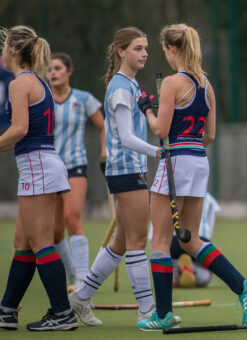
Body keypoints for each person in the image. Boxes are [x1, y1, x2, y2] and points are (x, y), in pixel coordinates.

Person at [137, 23, 247, 330]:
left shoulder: (171, 83)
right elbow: (209, 135)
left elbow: (161, 131)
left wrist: (147, 110)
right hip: (198, 161)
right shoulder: (207, 85)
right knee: (191, 239)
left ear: (172, 49)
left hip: (176, 161)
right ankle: (242, 286)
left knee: (161, 241)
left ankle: (163, 315)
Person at [68, 26, 160, 327]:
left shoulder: (131, 85)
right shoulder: (121, 88)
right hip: (126, 170)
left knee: (120, 243)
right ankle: (147, 311)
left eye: (146, 47)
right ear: (121, 52)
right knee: (136, 240)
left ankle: (80, 297)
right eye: (137, 48)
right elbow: (126, 137)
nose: (144, 52)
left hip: (131, 169)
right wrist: (159, 152)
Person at [0, 25, 78, 331]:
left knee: (40, 242)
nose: (2, 52)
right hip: (42, 165)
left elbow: (19, 129)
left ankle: (62, 313)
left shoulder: (21, 83)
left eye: (5, 46)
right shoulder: (37, 82)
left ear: (15, 52)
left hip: (37, 166)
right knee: (23, 242)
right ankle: (7, 310)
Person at [48, 52, 106, 291]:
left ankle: (82, 278)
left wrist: (105, 151)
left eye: (58, 68)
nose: (53, 72)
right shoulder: (42, 98)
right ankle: (72, 273)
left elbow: (103, 127)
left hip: (75, 165)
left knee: (72, 218)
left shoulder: (83, 99)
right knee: (54, 231)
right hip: (50, 168)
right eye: (50, 69)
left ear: (69, 71)